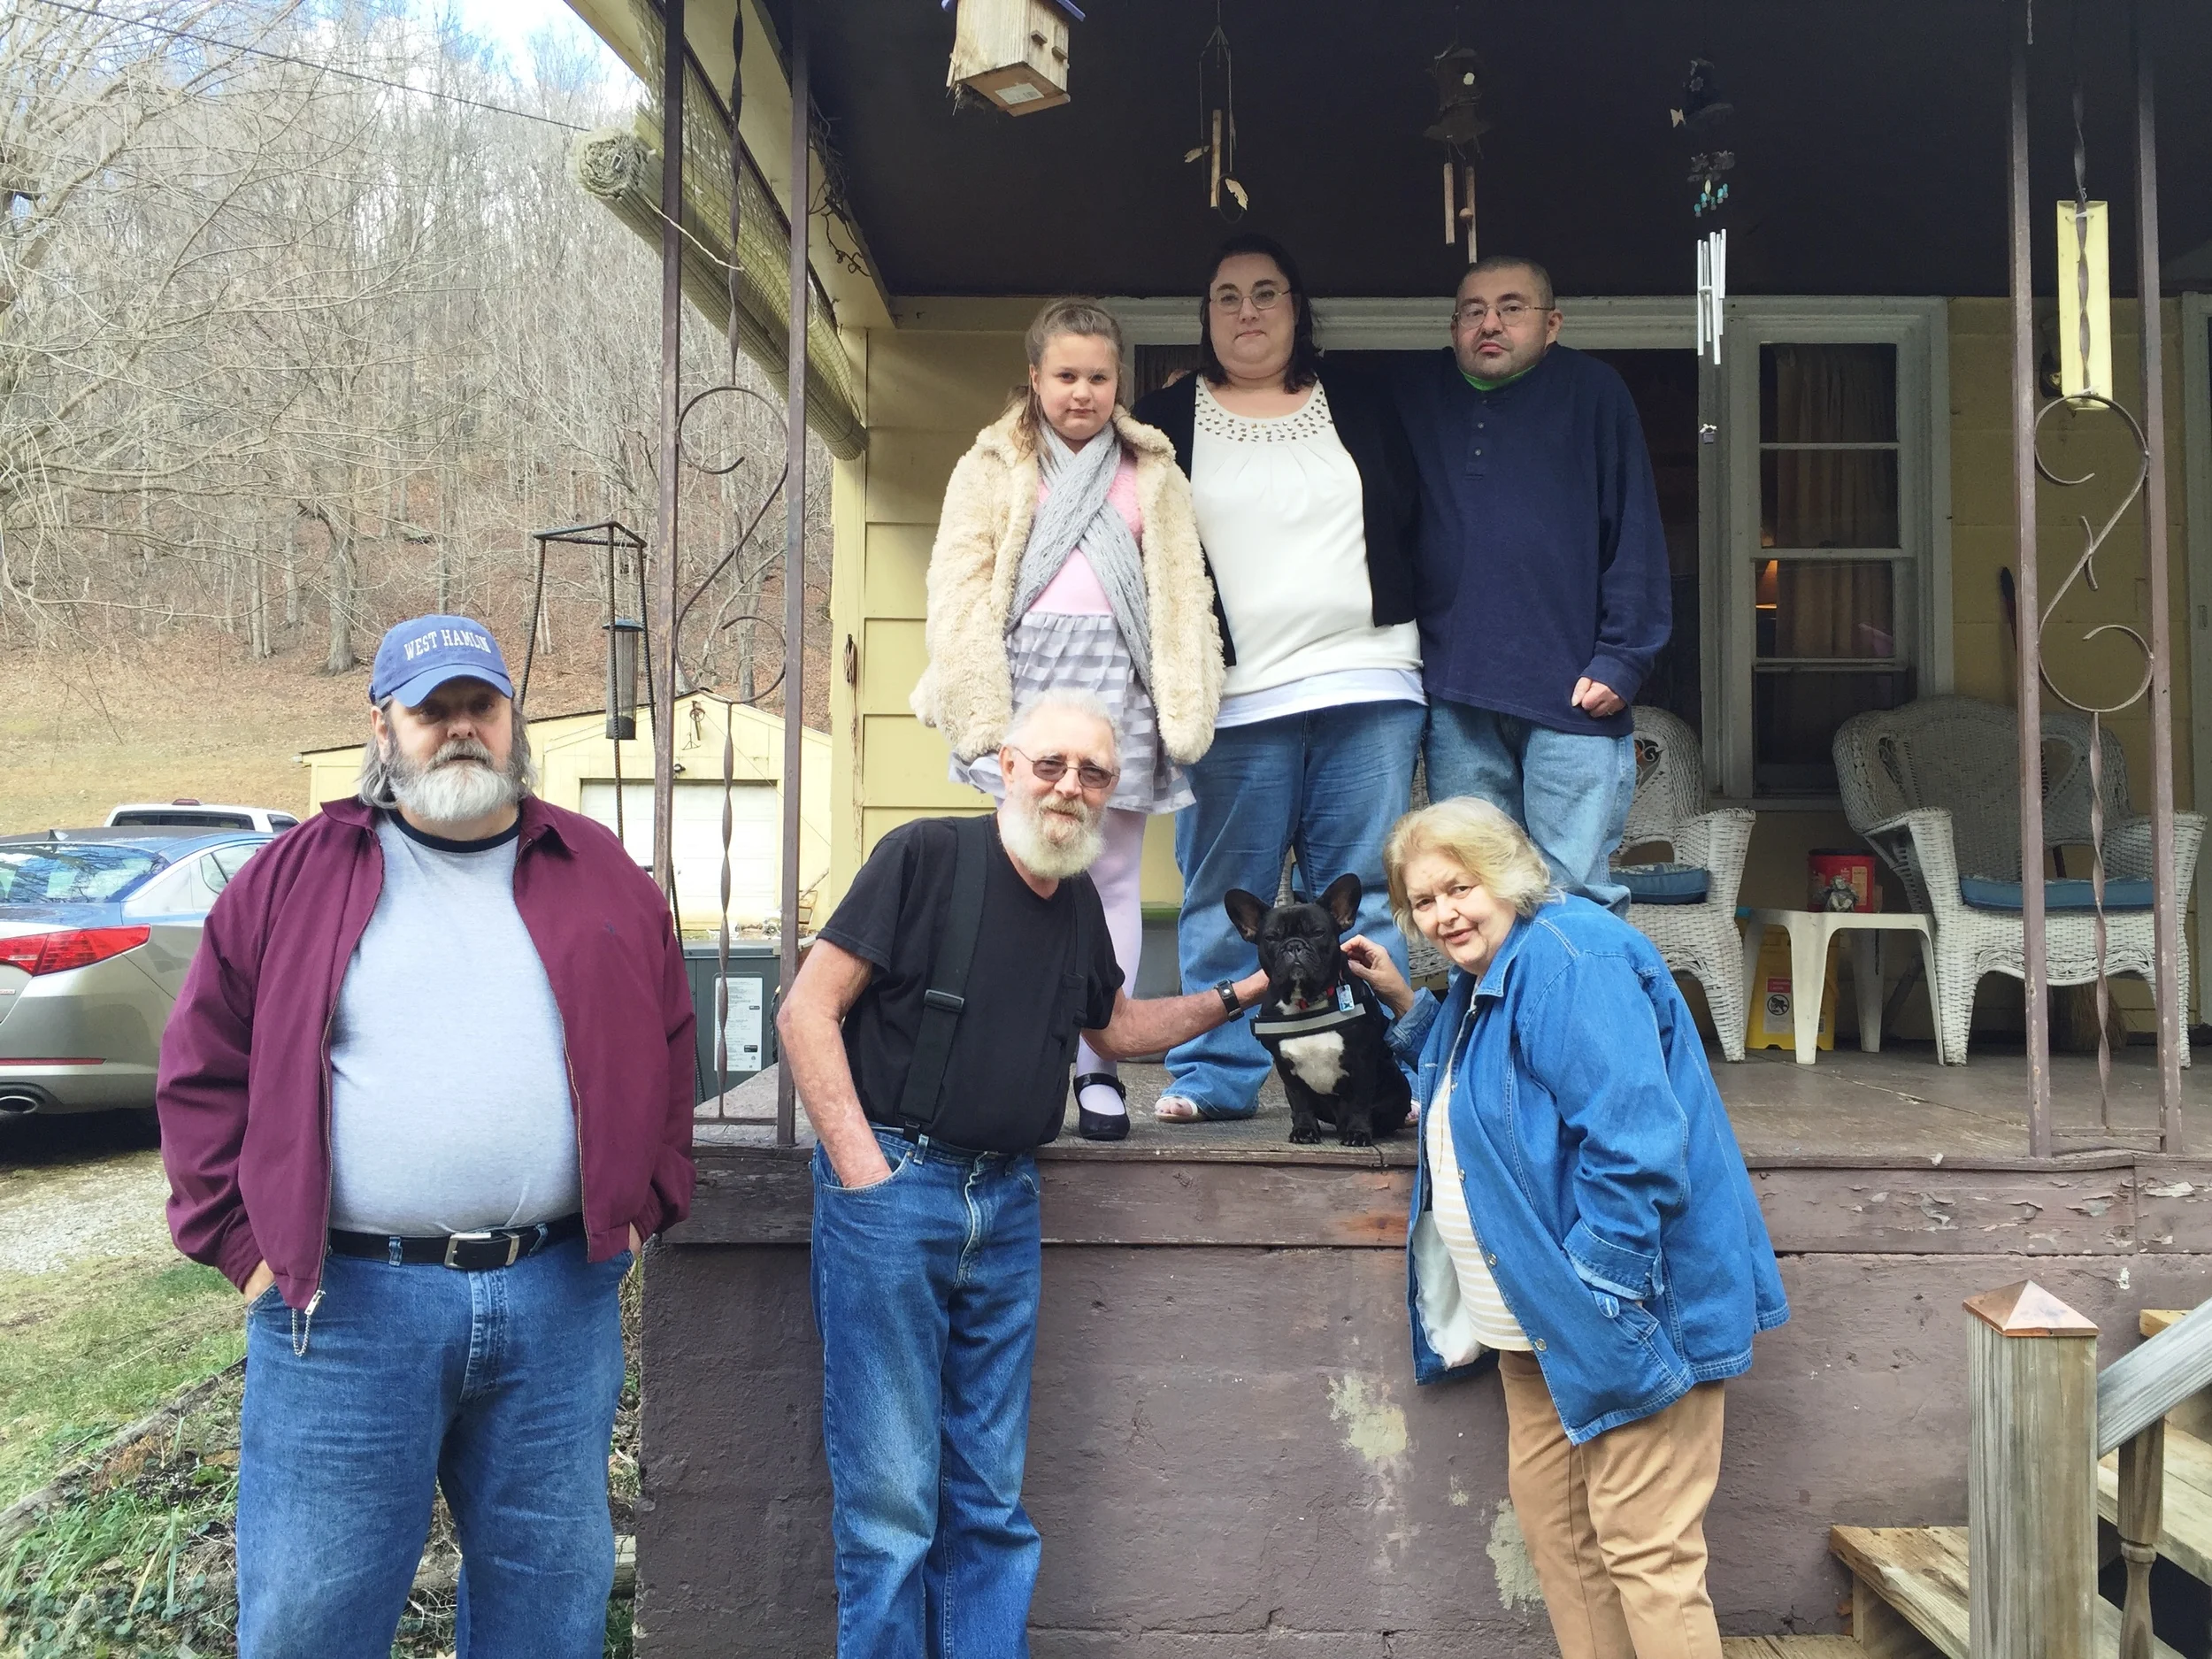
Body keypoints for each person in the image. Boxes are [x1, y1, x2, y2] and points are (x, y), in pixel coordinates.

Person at [157, 614, 696, 1659]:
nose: (458, 731)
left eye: (479, 707)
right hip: (346, 1309)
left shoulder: (599, 873)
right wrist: (241, 1247)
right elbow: (201, 1070)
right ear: (383, 727)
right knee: (311, 1619)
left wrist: (646, 1206)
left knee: (549, 1612)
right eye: (431, 710)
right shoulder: (294, 879)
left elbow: (671, 1046)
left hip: (557, 1302)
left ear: (512, 718)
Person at [776, 691, 1272, 1659]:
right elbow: (806, 1012)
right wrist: (865, 1173)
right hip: (896, 1193)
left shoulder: (1076, 900)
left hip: (1005, 1206)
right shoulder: (923, 857)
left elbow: (1118, 1030)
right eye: (1051, 765)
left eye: (1093, 774)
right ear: (1005, 766)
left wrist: (1245, 990)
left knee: (989, 1505)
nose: (1070, 788)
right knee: (890, 1509)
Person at [1345, 796, 1786, 1659]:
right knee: (1567, 1545)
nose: (1442, 914)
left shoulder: (1572, 959)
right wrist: (1407, 1005)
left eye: (1457, 887)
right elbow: (1486, 1081)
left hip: (1615, 1316)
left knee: (1645, 1551)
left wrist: (1598, 1290)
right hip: (1537, 1333)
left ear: (1505, 873)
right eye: (1422, 902)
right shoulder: (1484, 977)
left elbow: (1636, 1146)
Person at [1132, 231, 1425, 1125]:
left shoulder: (1365, 403)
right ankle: (1216, 1077)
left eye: (1266, 293)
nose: (1248, 311)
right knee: (1233, 890)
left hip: (1369, 679)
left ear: (1297, 311)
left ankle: (1378, 1075)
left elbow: (1415, 520)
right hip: (1236, 696)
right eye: (1227, 296)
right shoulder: (1161, 420)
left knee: (1361, 895)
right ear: (1206, 317)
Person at [912, 297, 1222, 1141]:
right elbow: (959, 579)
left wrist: (1188, 687)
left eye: (1098, 376)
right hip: (1026, 684)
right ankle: (1015, 1053)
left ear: (1119, 380)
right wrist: (975, 690)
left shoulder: (1149, 467)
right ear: (1035, 379)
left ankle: (1099, 1066)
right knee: (1016, 868)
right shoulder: (993, 462)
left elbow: (1180, 585)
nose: (1082, 392)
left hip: (1119, 681)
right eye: (1065, 376)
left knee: (1113, 876)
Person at [1394, 255, 1671, 913]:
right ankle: (1497, 1021)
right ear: (1454, 325)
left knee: (1573, 895)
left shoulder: (1594, 393)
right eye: (1473, 311)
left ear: (1551, 325)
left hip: (1574, 695)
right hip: (1457, 697)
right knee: (1477, 898)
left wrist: (1623, 659)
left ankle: (1575, 1020)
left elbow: (1634, 530)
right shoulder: (1411, 396)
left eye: (1511, 308)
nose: (1490, 323)